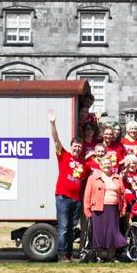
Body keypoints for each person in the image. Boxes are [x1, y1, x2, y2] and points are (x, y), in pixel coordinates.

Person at [49, 111, 87, 262]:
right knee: (63, 227)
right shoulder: (64, 155)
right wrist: (53, 124)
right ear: (71, 147)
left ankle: (70, 254)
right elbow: (56, 139)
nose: (77, 148)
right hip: (63, 197)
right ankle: (62, 254)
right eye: (75, 146)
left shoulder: (84, 163)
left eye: (79, 146)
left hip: (76, 200)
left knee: (72, 228)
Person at [83, 152, 127, 262]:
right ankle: (99, 256)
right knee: (99, 233)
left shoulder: (117, 178)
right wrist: (87, 211)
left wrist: (123, 209)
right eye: (104, 164)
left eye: (108, 163)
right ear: (100, 165)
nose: (107, 165)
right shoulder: (93, 178)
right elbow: (87, 196)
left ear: (111, 165)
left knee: (113, 233)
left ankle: (111, 256)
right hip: (98, 209)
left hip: (113, 209)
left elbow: (122, 195)